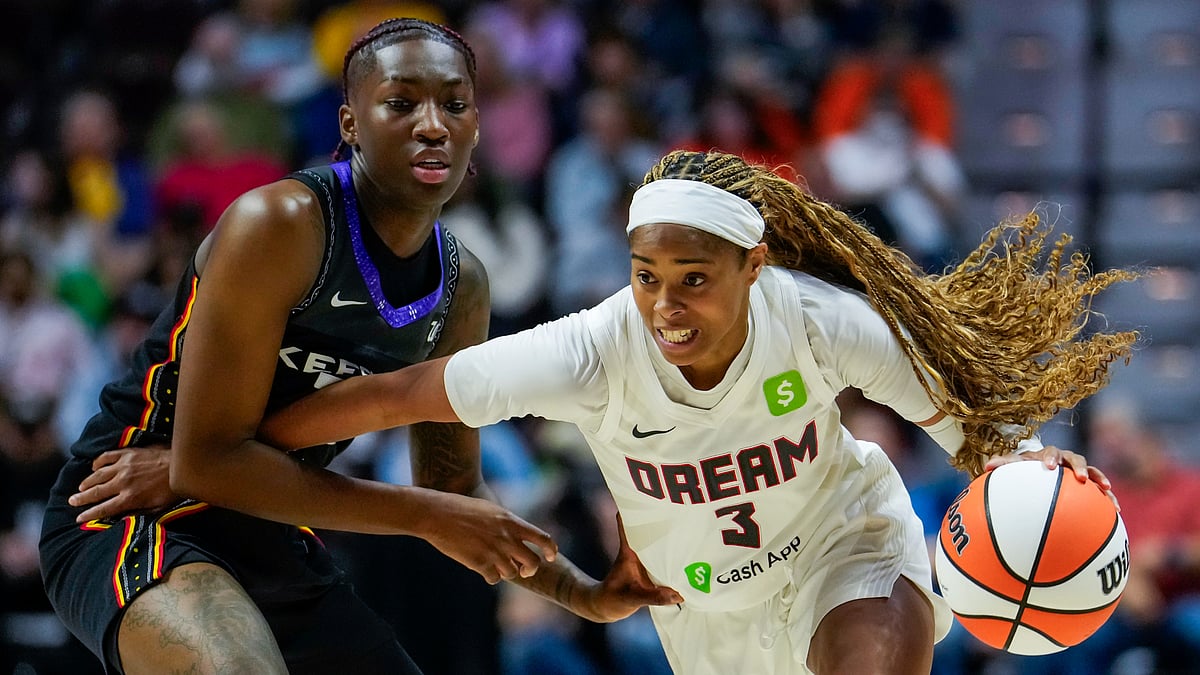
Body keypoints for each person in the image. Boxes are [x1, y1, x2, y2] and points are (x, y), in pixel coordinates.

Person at [254, 149, 1137, 673]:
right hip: (704, 617)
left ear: (754, 268)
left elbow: (960, 415)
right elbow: (398, 393)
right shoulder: (591, 350)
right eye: (647, 278)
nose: (665, 305)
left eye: (695, 279)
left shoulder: (818, 321)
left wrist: (1027, 463)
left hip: (845, 549)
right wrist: (234, 445)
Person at [41, 18, 676, 675]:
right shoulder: (280, 224)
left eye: (454, 105)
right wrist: (424, 513)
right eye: (401, 103)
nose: (433, 124)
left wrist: (585, 592)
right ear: (350, 123)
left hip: (268, 528)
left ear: (477, 128)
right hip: (131, 510)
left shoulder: (462, 288)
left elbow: (454, 486)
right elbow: (206, 462)